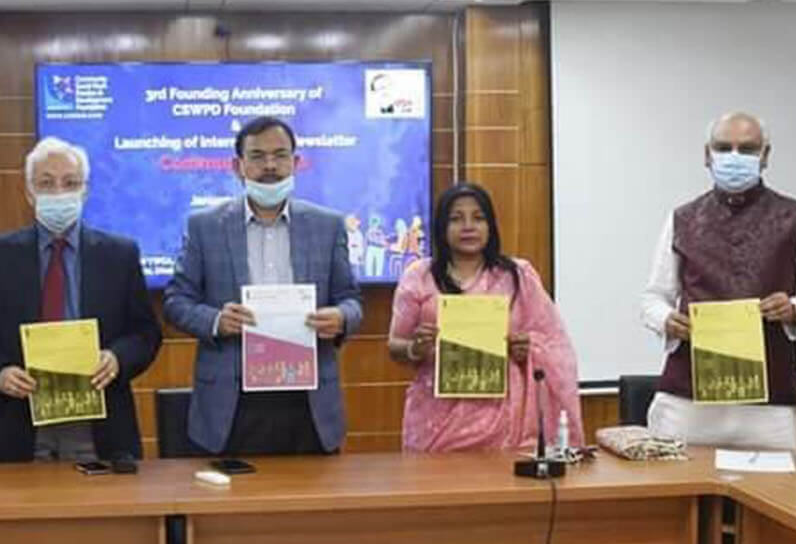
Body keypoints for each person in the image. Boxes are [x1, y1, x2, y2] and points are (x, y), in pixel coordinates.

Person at [163, 116, 362, 455]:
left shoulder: (328, 225)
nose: (270, 166)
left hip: (308, 400)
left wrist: (342, 318)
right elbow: (176, 301)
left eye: (280, 155)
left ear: (295, 163)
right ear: (237, 166)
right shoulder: (204, 226)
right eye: (257, 156)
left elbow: (351, 299)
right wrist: (216, 320)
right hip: (231, 400)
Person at [638, 111, 796, 449]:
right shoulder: (681, 218)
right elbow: (653, 297)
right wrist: (666, 319)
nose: (734, 157)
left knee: (777, 482)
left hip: (769, 401)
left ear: (765, 156)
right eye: (722, 147)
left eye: (746, 149)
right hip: (688, 398)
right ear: (707, 155)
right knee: (675, 481)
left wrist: (794, 308)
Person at [0, 137, 161, 462]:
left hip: (101, 427)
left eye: (70, 183)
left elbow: (145, 333)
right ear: (29, 192)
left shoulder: (119, 254)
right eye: (46, 183)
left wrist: (116, 358)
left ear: (85, 191)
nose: (59, 193)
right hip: (19, 426)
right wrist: (0, 373)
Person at [389, 183, 583, 452]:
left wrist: (526, 350)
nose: (468, 226)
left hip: (504, 423)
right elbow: (395, 344)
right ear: (442, 227)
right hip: (434, 422)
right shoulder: (419, 276)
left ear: (490, 226)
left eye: (478, 218)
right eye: (456, 219)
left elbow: (554, 344)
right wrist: (415, 348)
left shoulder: (518, 276)